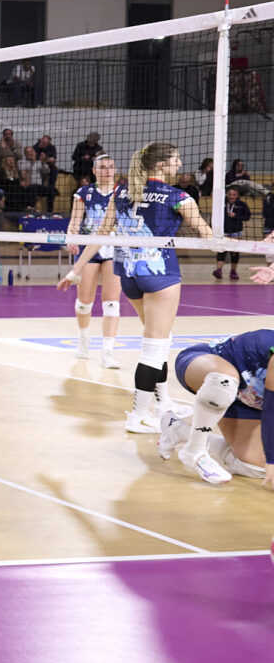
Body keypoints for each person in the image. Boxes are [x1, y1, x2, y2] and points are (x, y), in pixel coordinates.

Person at [60, 141, 212, 441]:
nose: (180, 164)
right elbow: (208, 237)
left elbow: (101, 234)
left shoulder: (121, 192)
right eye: (176, 159)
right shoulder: (179, 197)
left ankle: (164, 404)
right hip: (159, 275)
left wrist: (76, 269)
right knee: (154, 346)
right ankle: (139, 415)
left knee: (160, 340)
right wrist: (253, 247)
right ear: (161, 165)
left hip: (128, 275)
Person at [160, 330, 274, 485]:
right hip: (206, 363)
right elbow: (271, 409)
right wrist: (272, 460)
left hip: (247, 397)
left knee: (257, 468)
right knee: (224, 381)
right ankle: (194, 451)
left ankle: (178, 430)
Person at [63, 152, 123, 369]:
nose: (107, 171)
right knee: (84, 302)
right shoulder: (84, 193)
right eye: (103, 167)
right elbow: (75, 221)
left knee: (111, 303)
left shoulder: (122, 193)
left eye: (111, 167)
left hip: (114, 249)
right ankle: (83, 338)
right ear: (94, 170)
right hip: (89, 250)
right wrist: (71, 238)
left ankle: (108, 352)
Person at [217, 186, 249, 280]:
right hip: (223, 231)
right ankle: (219, 270)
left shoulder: (242, 205)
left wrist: (236, 216)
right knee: (221, 251)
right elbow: (215, 216)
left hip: (236, 231)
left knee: (234, 252)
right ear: (227, 194)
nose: (231, 196)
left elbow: (247, 217)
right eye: (230, 194)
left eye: (234, 194)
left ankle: (233, 271)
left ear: (237, 195)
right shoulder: (222, 204)